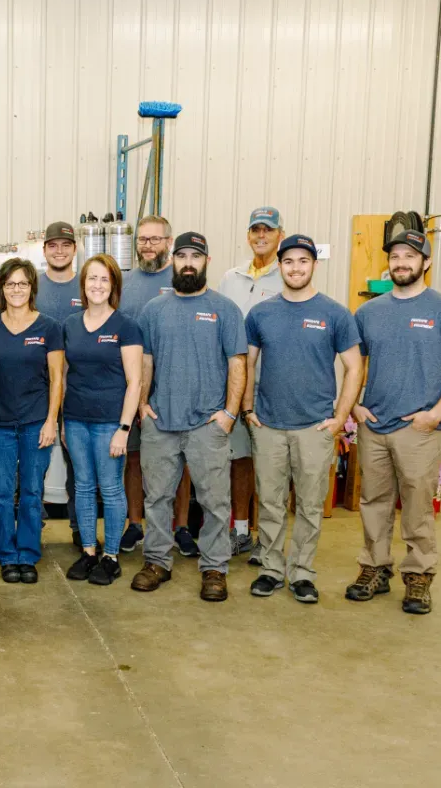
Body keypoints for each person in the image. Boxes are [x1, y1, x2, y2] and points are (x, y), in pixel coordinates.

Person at [347, 229, 441, 614]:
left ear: (426, 262)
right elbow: (356, 364)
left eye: (410, 256)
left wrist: (436, 413)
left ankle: (418, 578)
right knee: (374, 502)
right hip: (375, 425)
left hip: (419, 430)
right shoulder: (369, 312)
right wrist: (354, 406)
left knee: (418, 506)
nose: (401, 262)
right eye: (396, 256)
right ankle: (374, 568)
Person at [242, 234, 362, 603]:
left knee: (310, 505)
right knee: (271, 502)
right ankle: (271, 569)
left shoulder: (335, 313)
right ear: (279, 266)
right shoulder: (261, 313)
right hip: (269, 425)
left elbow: (354, 367)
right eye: (289, 261)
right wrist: (248, 409)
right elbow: (246, 363)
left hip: (314, 426)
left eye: (303, 261)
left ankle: (302, 572)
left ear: (314, 266)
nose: (296, 268)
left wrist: (339, 417)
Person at [130, 232, 246, 602]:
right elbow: (146, 360)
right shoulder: (154, 310)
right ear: (173, 261)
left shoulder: (225, 309)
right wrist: (143, 406)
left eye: (195, 256)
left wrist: (229, 413)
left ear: (207, 261)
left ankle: (214, 568)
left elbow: (237, 363)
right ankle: (157, 562)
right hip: (160, 421)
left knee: (214, 501)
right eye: (181, 256)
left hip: (207, 424)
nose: (188, 263)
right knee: (157, 497)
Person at [62, 255, 143, 586]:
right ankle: (88, 551)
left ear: (114, 286)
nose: (97, 285)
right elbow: (65, 375)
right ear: (83, 285)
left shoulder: (126, 326)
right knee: (82, 486)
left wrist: (124, 429)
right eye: (91, 279)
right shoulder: (70, 325)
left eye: (104, 279)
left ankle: (110, 556)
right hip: (76, 420)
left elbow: (135, 382)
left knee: (110, 488)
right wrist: (63, 422)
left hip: (111, 422)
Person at [117, 215, 194, 558]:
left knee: (179, 461)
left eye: (155, 239)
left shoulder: (182, 280)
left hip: (173, 388)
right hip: (131, 387)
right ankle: (135, 524)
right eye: (143, 239)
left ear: (169, 241)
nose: (148, 245)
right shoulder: (124, 282)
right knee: (133, 458)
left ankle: (181, 527)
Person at [0, 258, 63, 584]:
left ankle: (27, 554)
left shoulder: (49, 327)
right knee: (1, 493)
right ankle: (6, 554)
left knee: (31, 491)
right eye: (11, 283)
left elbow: (57, 379)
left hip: (35, 423)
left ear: (32, 288)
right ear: (1, 288)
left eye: (23, 283)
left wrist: (51, 421)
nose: (17, 289)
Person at [218, 207, 286, 560]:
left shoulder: (288, 274)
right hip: (235, 384)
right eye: (256, 230)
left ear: (279, 235)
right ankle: (242, 530)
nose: (262, 236)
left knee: (273, 467)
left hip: (273, 387)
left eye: (268, 230)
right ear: (248, 235)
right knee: (239, 460)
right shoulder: (231, 278)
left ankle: (270, 539)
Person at [33, 221, 87, 550]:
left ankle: (81, 531)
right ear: (44, 250)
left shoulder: (88, 286)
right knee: (32, 464)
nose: (59, 251)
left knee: (78, 466)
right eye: (53, 245)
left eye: (65, 245)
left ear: (75, 248)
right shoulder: (31, 288)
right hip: (36, 389)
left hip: (79, 390)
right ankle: (30, 527)